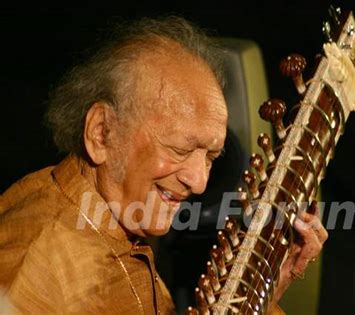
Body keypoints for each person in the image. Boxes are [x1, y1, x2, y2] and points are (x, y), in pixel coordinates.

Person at [0, 16, 328, 314]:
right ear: (101, 133)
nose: (199, 182)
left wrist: (264, 296)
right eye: (179, 149)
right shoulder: (32, 269)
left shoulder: (116, 228)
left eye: (210, 157)